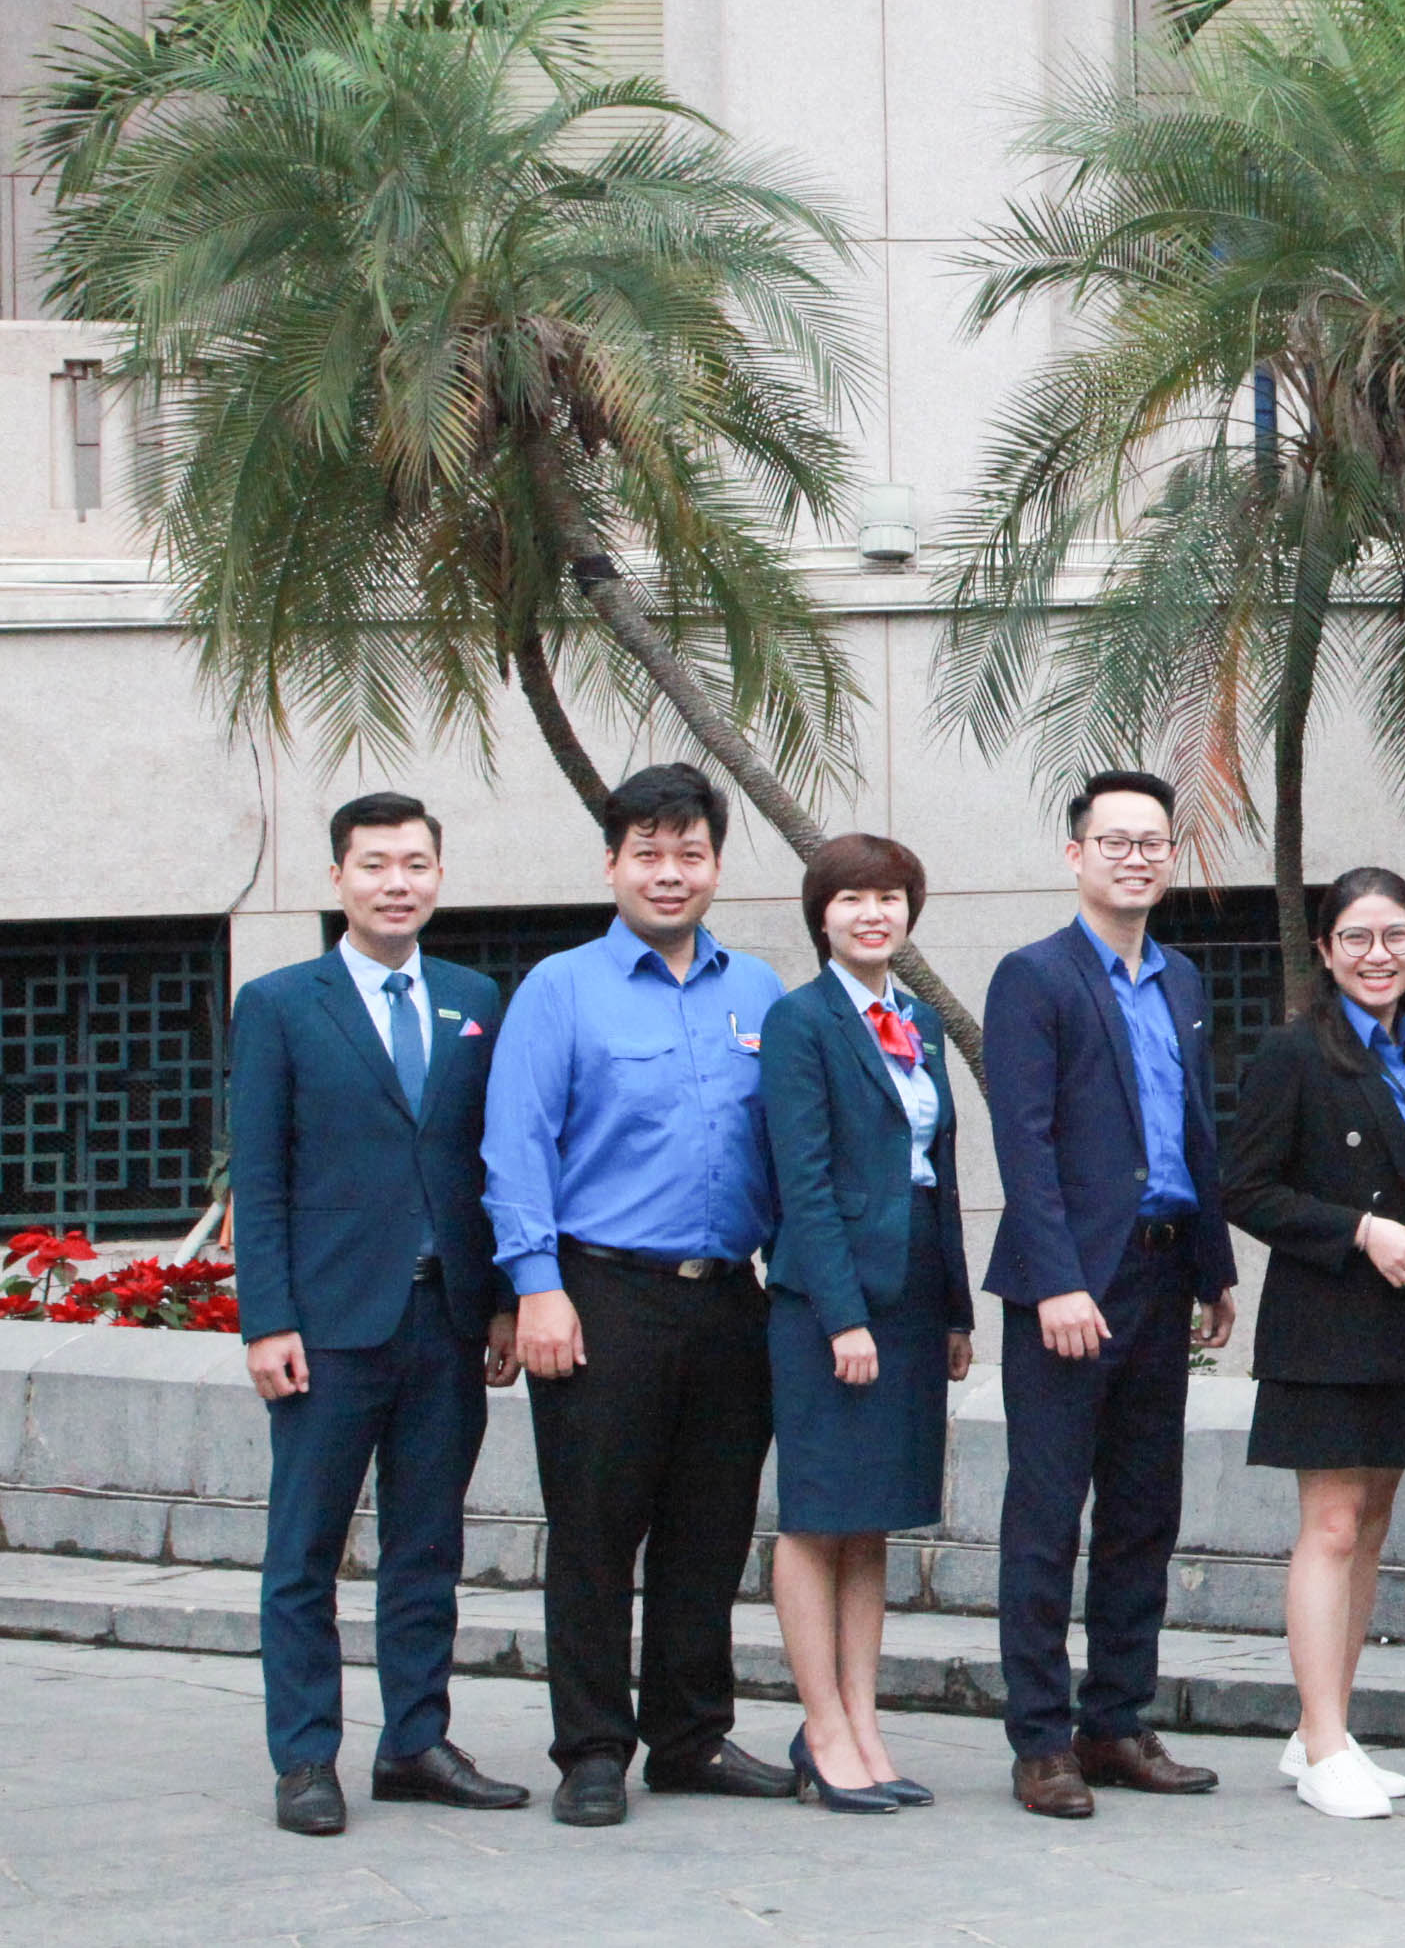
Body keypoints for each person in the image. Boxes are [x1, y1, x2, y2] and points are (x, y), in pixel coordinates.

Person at [482, 763, 796, 1827]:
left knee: (710, 1531)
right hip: (599, 1294)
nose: (670, 872)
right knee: (595, 1531)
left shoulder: (759, 991)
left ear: (716, 864)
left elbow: (790, 1149)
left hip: (730, 1299)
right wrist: (536, 1286)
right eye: (648, 853)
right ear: (611, 863)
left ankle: (690, 1734)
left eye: (689, 853)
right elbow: (516, 1146)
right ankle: (591, 1748)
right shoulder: (560, 987)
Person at [233, 792, 528, 1837]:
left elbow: (495, 1157)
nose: (396, 883)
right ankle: (306, 1755)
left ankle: (414, 1739)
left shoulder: (473, 998)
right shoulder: (280, 1002)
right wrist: (266, 1319)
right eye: (374, 865)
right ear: (338, 879)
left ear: (438, 876)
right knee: (304, 1551)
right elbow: (258, 1174)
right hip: (327, 1325)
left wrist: (502, 1300)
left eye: (414, 864)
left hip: (446, 1319)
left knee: (427, 1544)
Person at [982, 770, 1241, 1819]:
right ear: (1075, 853)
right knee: (1048, 1514)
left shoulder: (1182, 978)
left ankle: (1116, 1719)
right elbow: (1024, 1140)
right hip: (1069, 1283)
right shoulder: (1032, 975)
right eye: (1115, 840)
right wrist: (1057, 1280)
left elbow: (1193, 1128)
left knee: (1143, 1511)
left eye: (1153, 842)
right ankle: (1041, 1739)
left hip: (1162, 1272)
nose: (1136, 857)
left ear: (1171, 857)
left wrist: (1215, 1264)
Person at [1223, 868, 1405, 1820]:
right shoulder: (1294, 1051)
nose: (1380, 954)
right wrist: (1358, 1230)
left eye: (1396, 935)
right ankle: (1325, 1743)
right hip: (1328, 1321)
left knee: (1371, 1523)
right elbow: (1245, 1188)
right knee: (1330, 1524)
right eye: (1358, 938)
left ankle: (1320, 1727)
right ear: (1326, 952)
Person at [760, 835, 975, 1814]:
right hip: (829, 1297)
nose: (872, 913)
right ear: (822, 915)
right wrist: (843, 1316)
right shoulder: (799, 1019)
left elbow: (941, 1169)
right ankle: (822, 1726)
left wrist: (956, 1308)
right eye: (851, 898)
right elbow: (802, 1182)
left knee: (872, 1514)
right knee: (818, 1513)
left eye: (889, 896)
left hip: (913, 1290)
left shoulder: (919, 1020)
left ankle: (864, 1719)